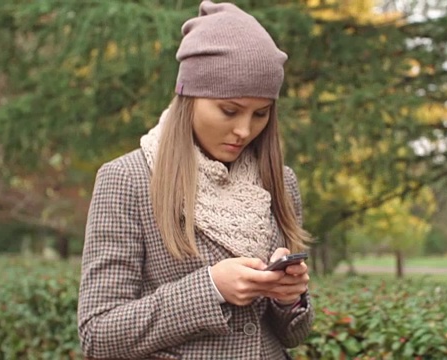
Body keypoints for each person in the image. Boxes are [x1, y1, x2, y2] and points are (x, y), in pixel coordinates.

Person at [77, 1, 314, 359]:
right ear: (189, 96)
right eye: (229, 110)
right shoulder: (127, 180)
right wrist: (210, 288)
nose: (244, 130)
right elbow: (98, 333)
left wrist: (289, 299)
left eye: (261, 113)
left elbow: (292, 335)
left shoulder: (279, 181)